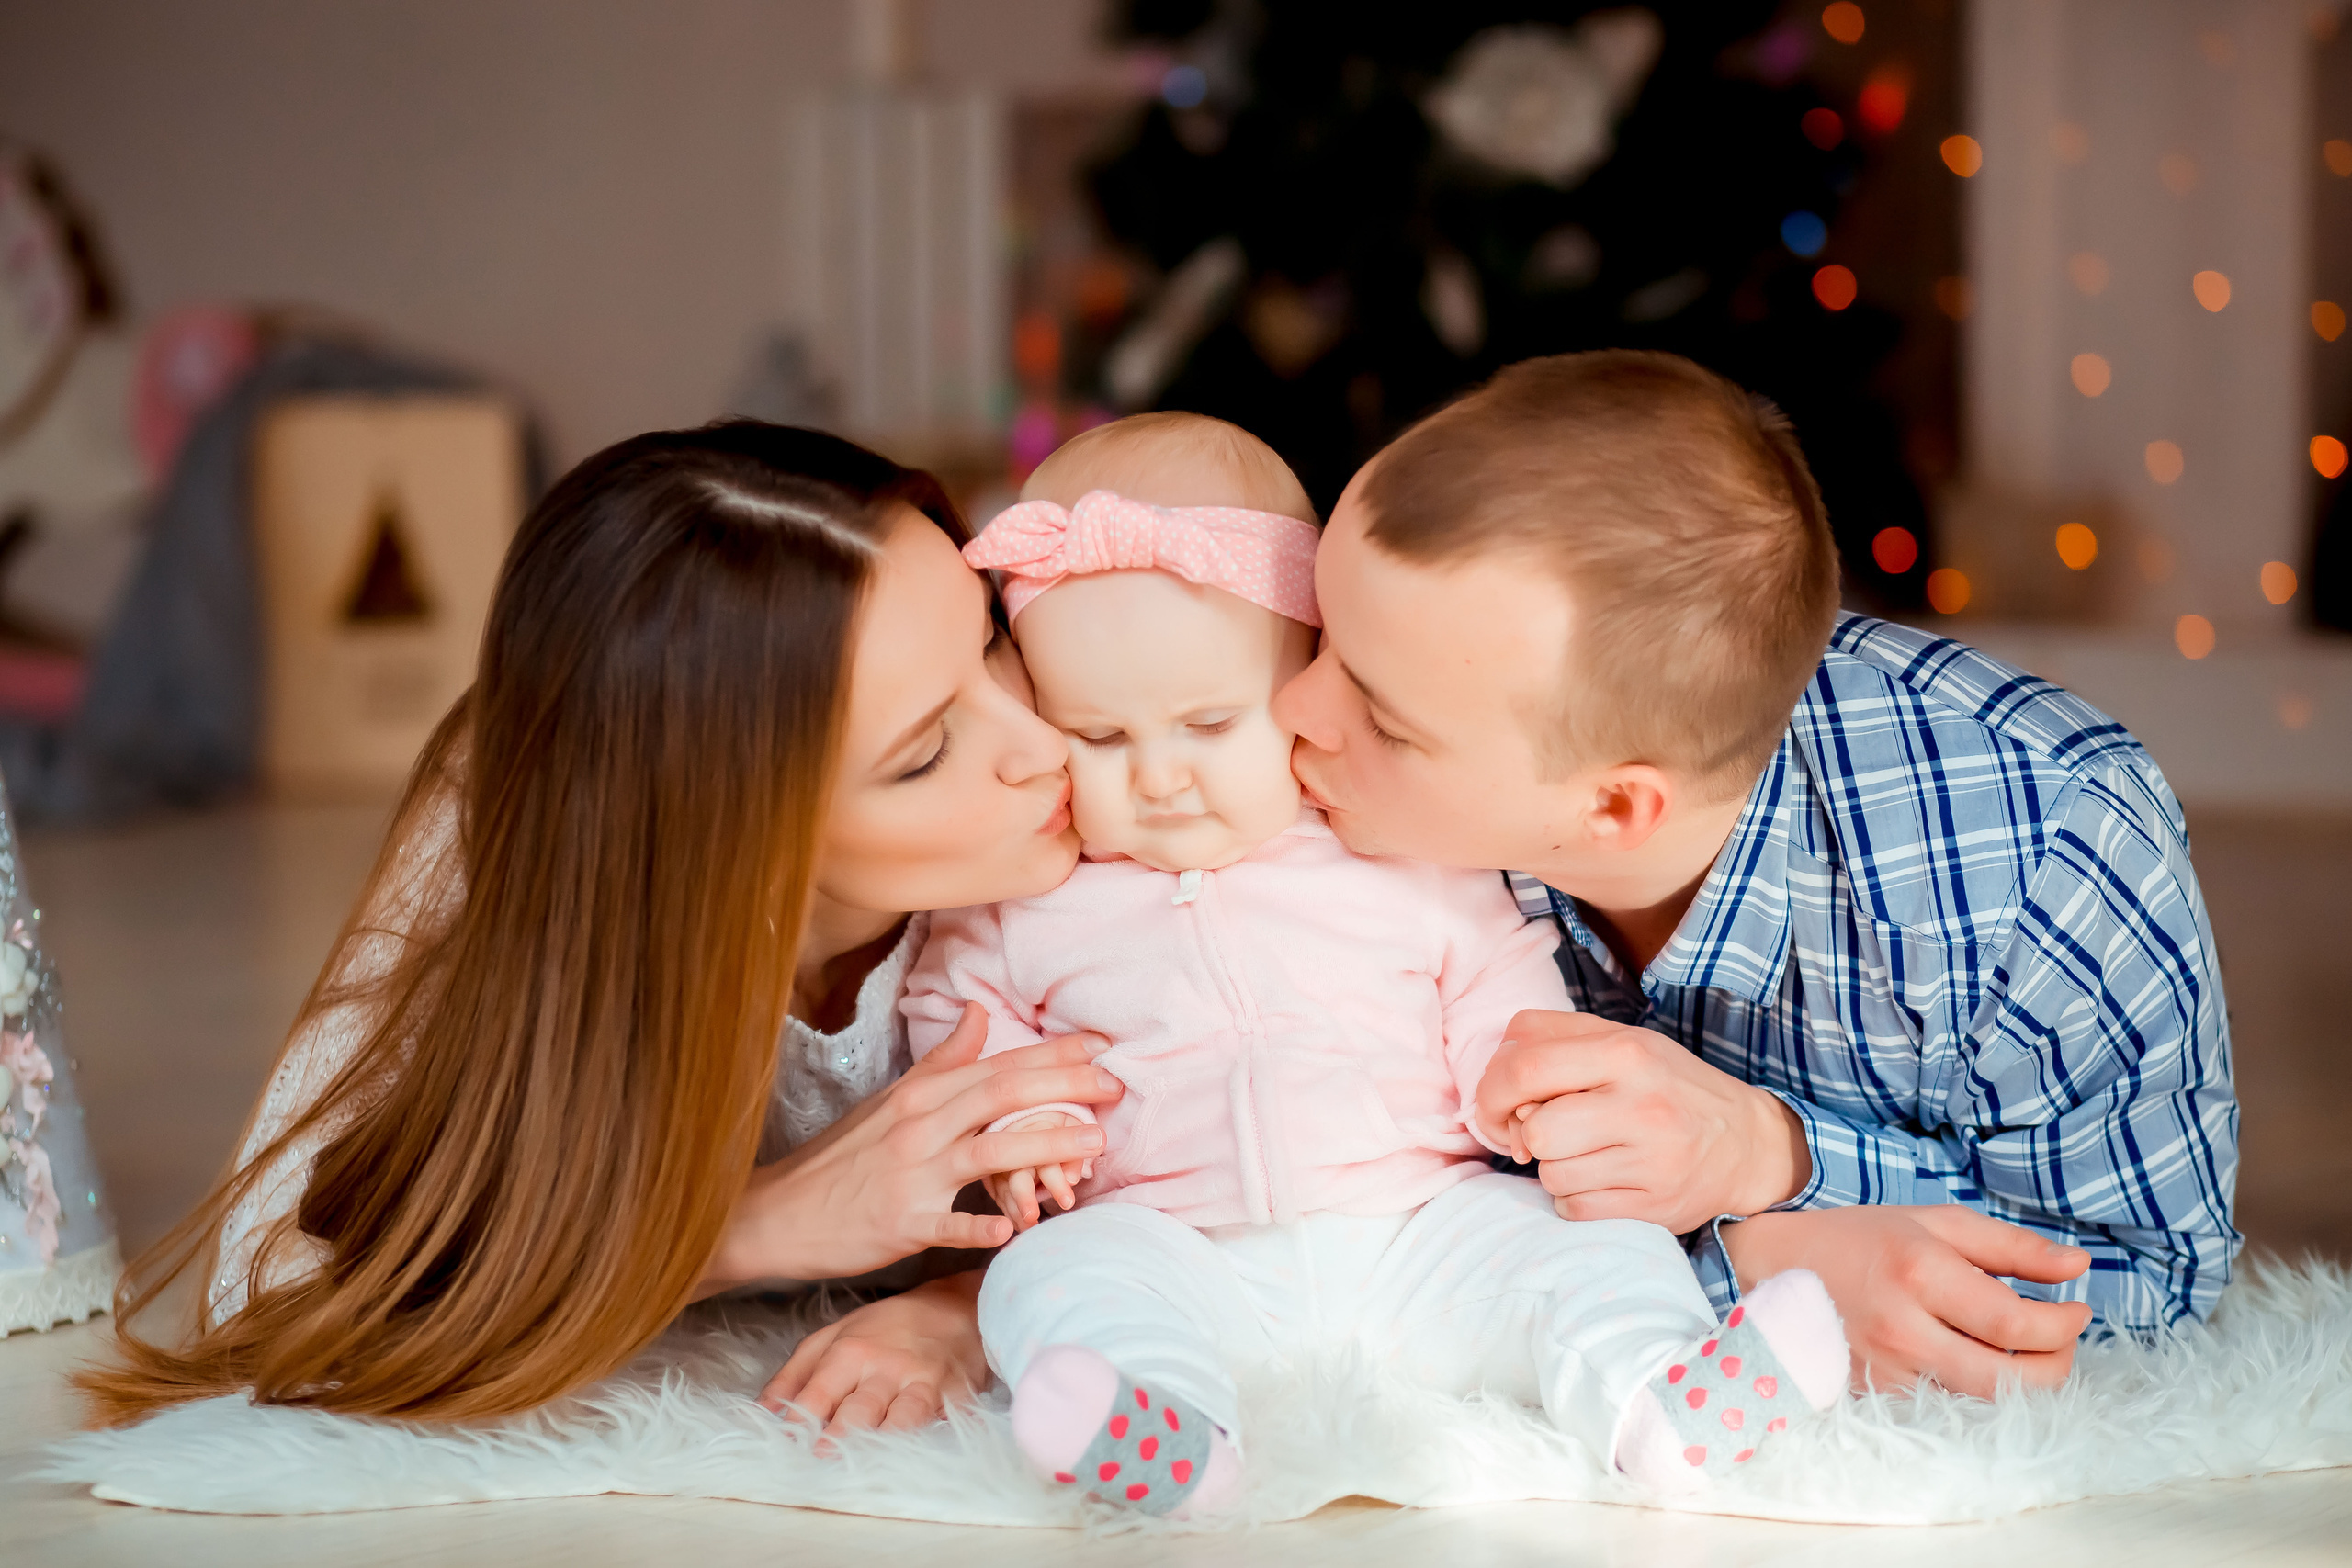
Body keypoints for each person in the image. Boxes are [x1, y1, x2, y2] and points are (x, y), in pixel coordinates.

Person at [77, 423, 1125, 1427]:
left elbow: (1217, 1188)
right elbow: (266, 1282)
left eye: (992, 638)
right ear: (728, 831)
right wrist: (754, 1226)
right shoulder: (531, 827)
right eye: (924, 754)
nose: (1046, 743)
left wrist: (964, 1310)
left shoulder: (1127, 758)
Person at [901, 412, 1849, 1517]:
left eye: (1210, 724)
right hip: (1177, 1249)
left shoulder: (1394, 848)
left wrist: (1517, 1081)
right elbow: (958, 1016)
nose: (1158, 776)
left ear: (1302, 673)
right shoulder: (1027, 898)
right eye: (1099, 738)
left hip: (1425, 1232)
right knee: (1047, 1277)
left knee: (1593, 1250)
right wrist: (1023, 1126)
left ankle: (1663, 1398)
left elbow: (1498, 975)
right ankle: (1166, 1431)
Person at [1276, 350, 2239, 1399]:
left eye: (1383, 720)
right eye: (1317, 635)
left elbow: (2149, 1282)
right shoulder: (1293, 785)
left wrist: (1774, 1165)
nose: (1286, 709)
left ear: (1613, 808)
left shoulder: (2048, 851)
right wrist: (1747, 1259)